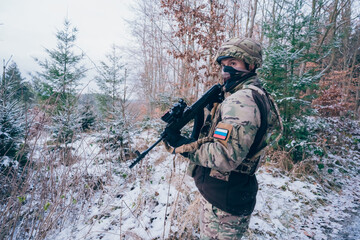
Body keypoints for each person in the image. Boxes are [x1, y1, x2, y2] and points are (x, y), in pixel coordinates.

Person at [165, 37, 282, 239]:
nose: (227, 70)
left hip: (224, 202)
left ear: (251, 64)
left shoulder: (241, 100)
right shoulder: (252, 94)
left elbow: (224, 156)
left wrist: (184, 146)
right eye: (224, 65)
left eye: (234, 63)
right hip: (229, 194)